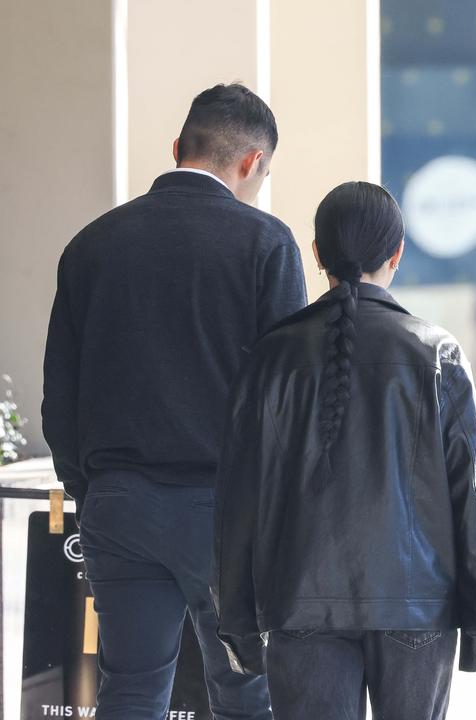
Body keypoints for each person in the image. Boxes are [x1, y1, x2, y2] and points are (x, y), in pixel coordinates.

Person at [41, 83, 302, 720]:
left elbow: (59, 398)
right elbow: (288, 399)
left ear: (178, 147)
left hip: (118, 506)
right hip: (228, 515)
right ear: (250, 164)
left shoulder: (91, 245)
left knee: (130, 690)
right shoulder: (266, 244)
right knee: (247, 690)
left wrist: (93, 488)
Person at [214, 181, 476, 720]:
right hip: (417, 607)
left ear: (318, 253)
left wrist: (235, 621)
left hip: (297, 604)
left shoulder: (270, 357)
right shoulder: (436, 352)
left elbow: (237, 501)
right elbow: (475, 499)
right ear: (396, 255)